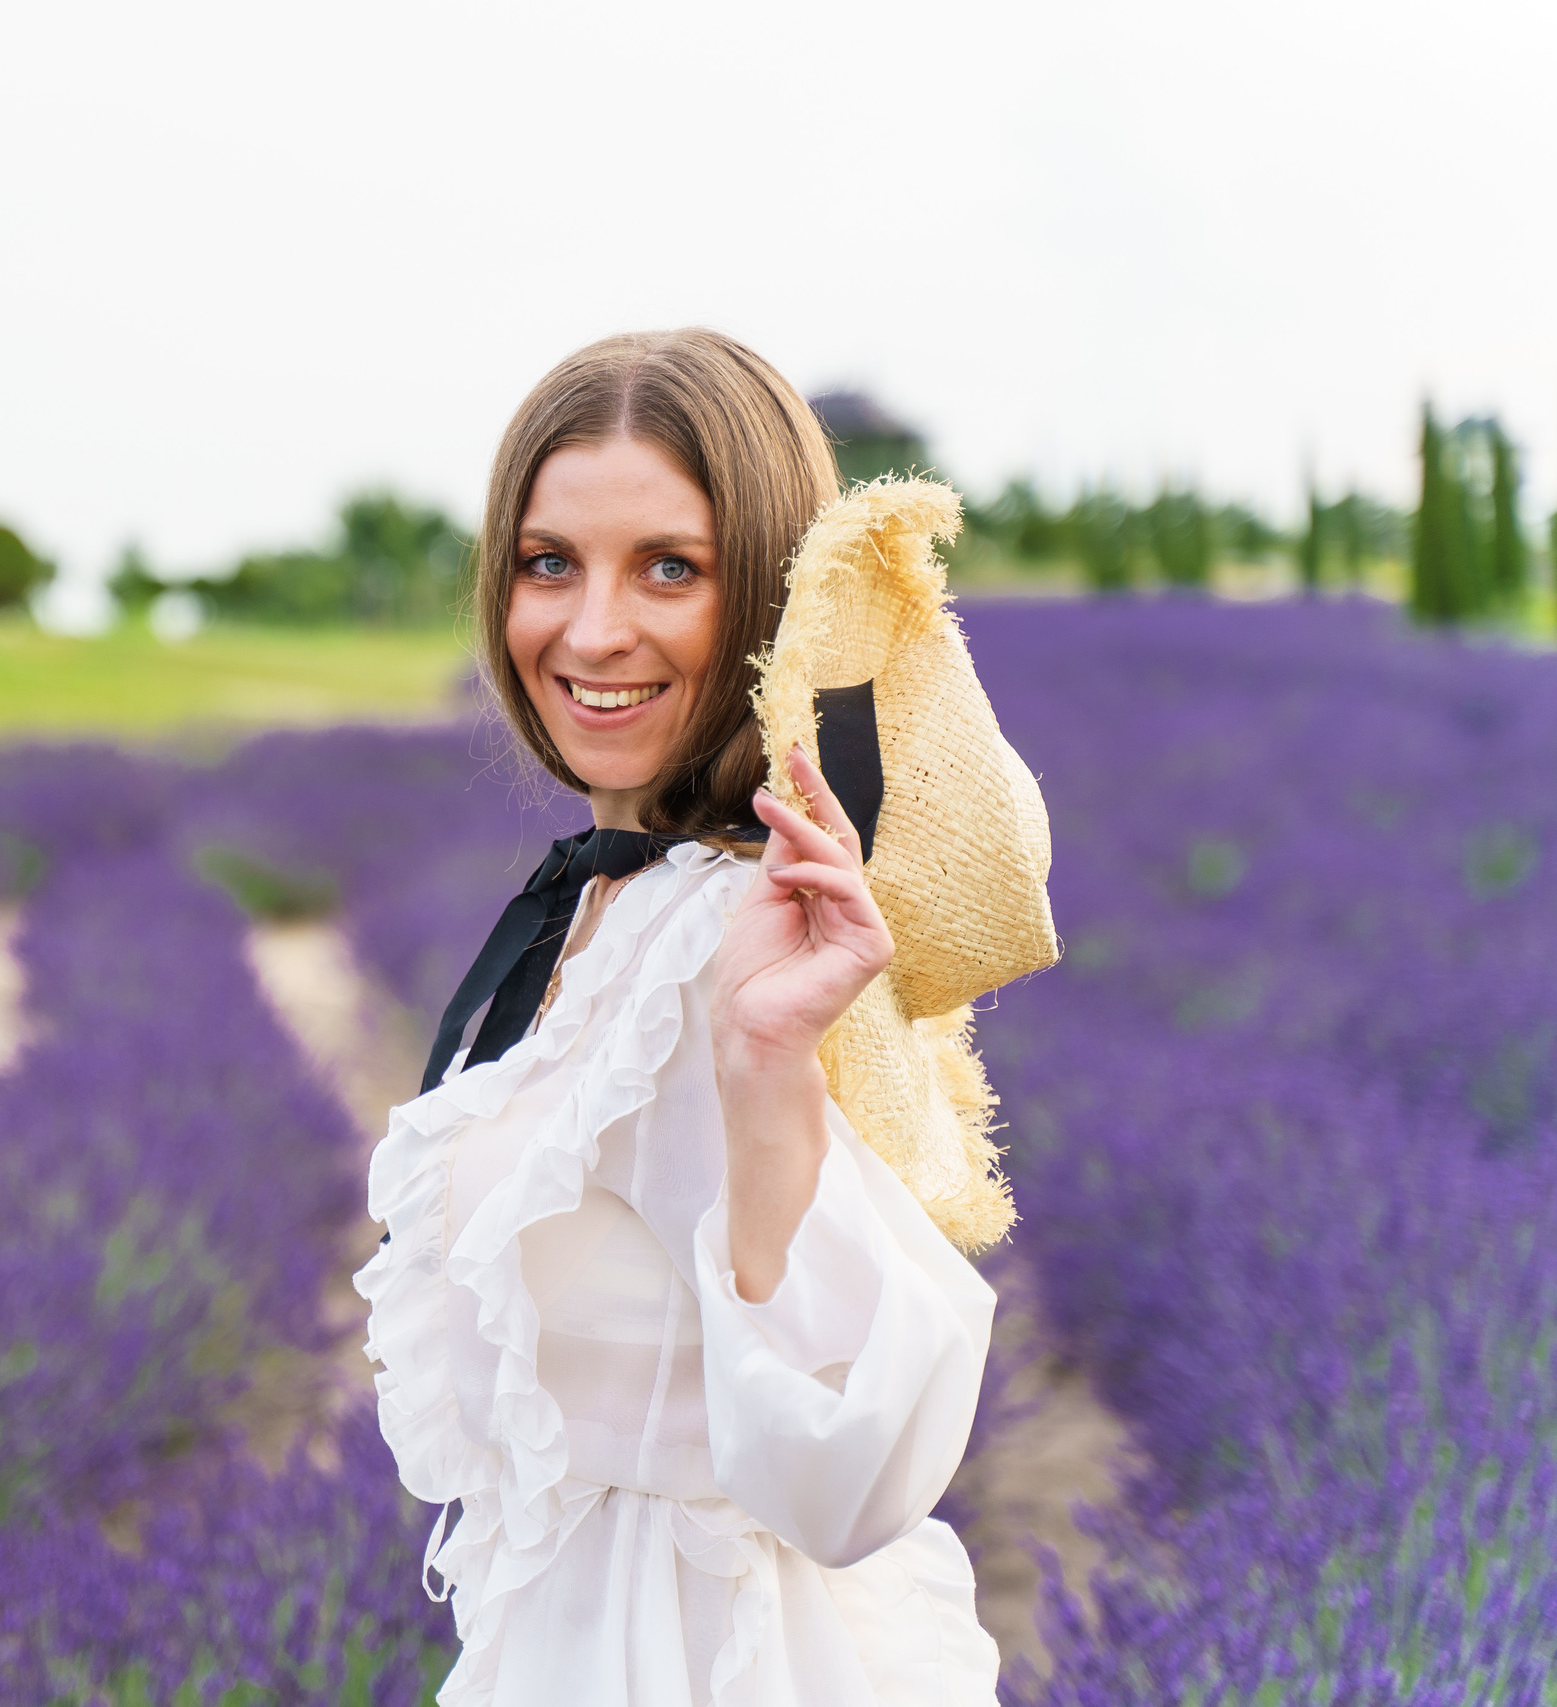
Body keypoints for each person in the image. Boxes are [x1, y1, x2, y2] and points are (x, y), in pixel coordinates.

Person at [356, 329, 1047, 1705]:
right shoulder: (612, 911)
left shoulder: (725, 931)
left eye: (669, 567)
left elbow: (853, 1478)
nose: (591, 628)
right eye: (549, 561)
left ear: (765, 603)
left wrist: (766, 1070)